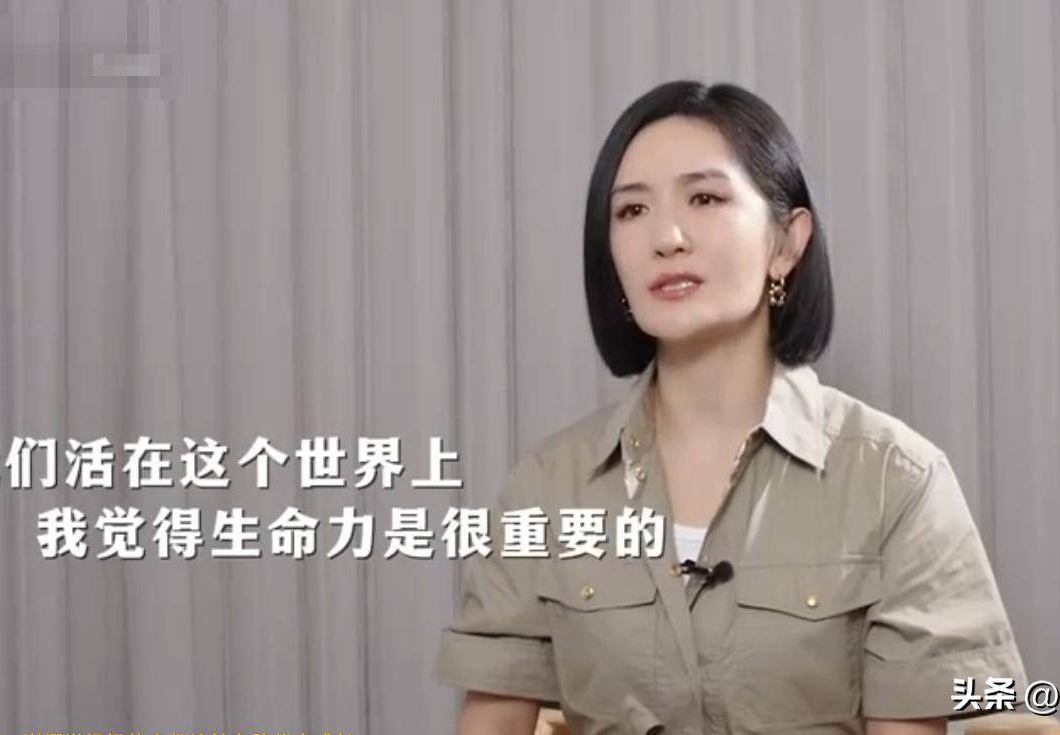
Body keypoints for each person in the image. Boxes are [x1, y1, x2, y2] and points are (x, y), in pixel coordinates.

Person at [434, 80, 1026, 735]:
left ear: (787, 242)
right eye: (632, 211)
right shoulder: (545, 489)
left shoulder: (896, 481)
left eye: (705, 198)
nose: (666, 237)